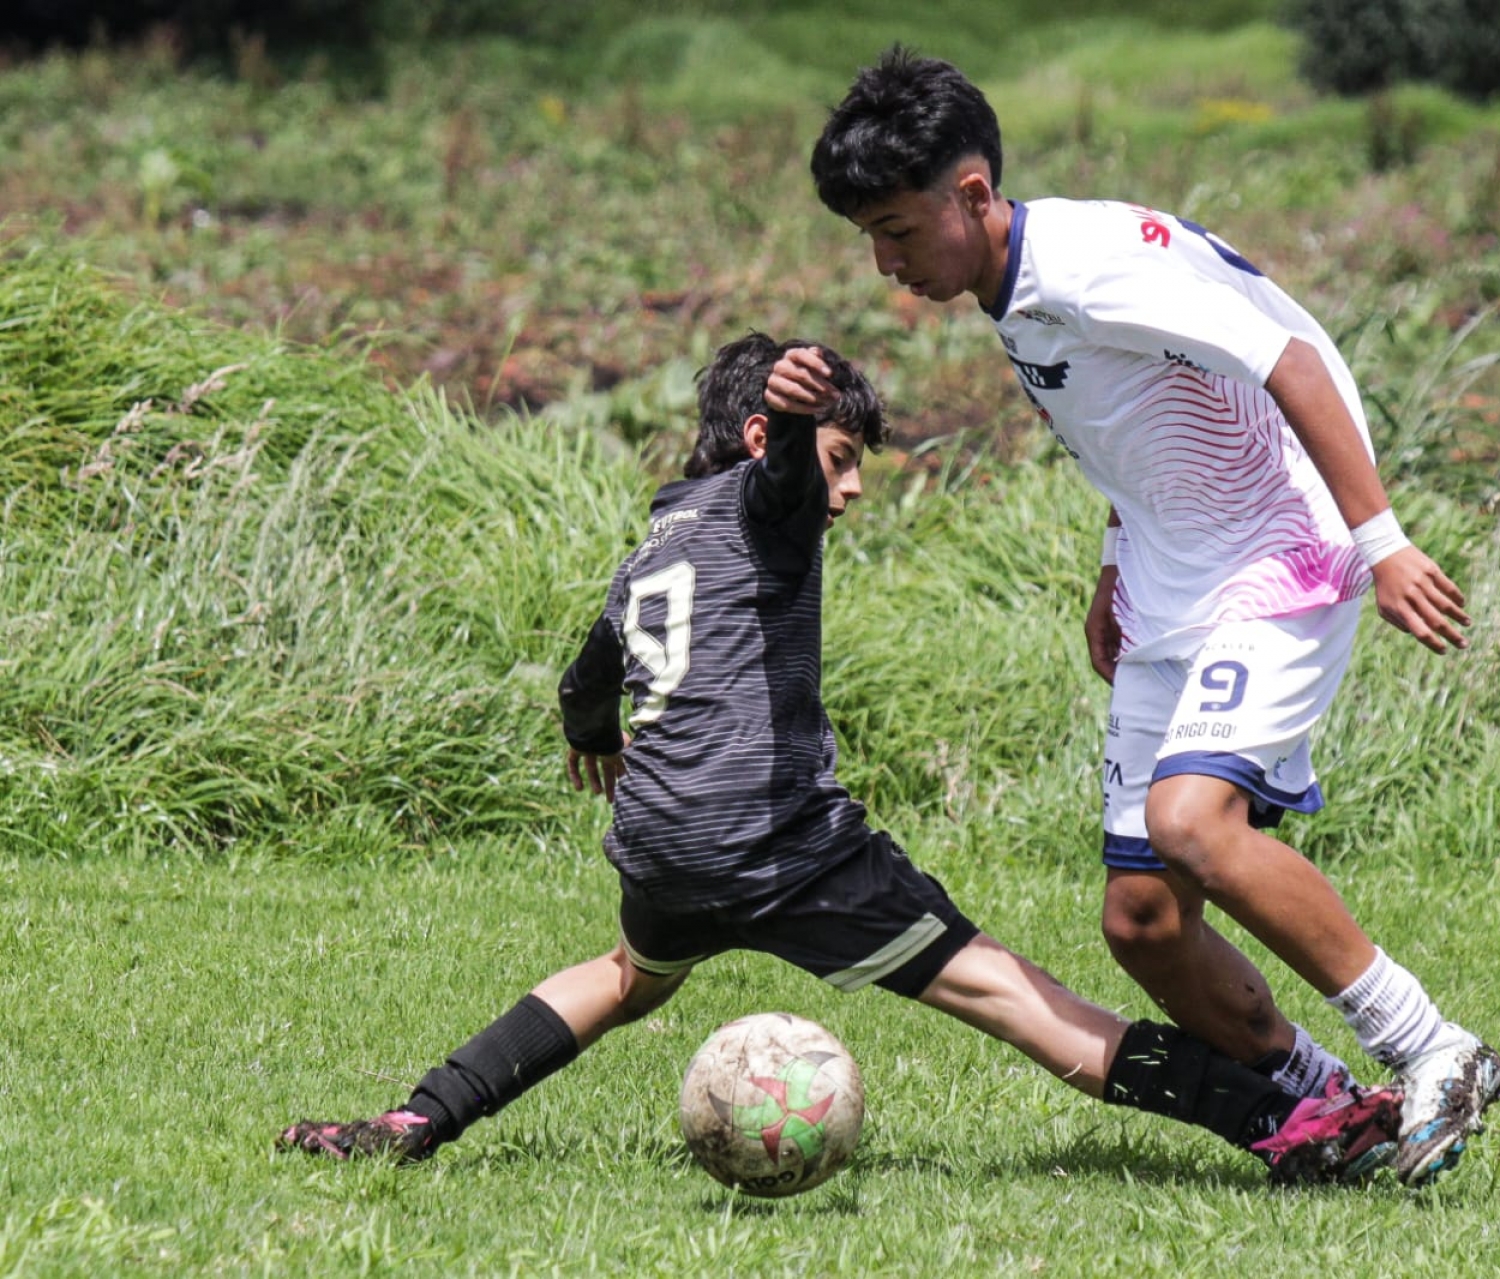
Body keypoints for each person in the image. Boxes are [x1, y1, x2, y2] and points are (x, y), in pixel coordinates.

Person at [277, 332, 1406, 1186]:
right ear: (765, 442)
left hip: (663, 845)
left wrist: (595, 741)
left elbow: (584, 680)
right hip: (781, 846)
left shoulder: (656, 541)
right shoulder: (767, 506)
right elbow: (782, 481)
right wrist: (792, 411)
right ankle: (1290, 1124)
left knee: (625, 978)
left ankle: (418, 1117)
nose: (852, 488)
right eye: (841, 459)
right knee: (1017, 997)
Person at [808, 50, 1500, 1187]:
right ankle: (1331, 1107)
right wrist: (1115, 563)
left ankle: (1436, 1047)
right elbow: (1138, 420)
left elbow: (1287, 358)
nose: (888, 265)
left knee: (1192, 823)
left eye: (896, 230)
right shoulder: (1017, 284)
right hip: (1171, 577)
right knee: (1142, 921)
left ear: (973, 195)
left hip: (1279, 552)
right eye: (868, 239)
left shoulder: (1087, 270)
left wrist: (1383, 541)